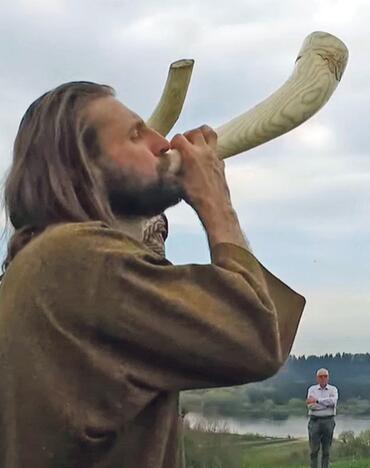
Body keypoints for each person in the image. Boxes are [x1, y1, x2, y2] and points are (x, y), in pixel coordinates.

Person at [0, 82, 305, 467]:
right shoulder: (75, 257)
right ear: (82, 167)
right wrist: (215, 201)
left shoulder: (42, 265)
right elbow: (255, 336)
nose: (165, 143)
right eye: (135, 134)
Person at [307, 368, 338, 468]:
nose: (323, 378)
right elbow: (311, 406)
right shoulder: (312, 389)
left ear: (328, 378)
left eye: (325, 376)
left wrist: (317, 401)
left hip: (328, 421)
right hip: (314, 421)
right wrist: (325, 404)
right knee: (313, 451)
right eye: (321, 377)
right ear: (317, 378)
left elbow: (333, 402)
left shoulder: (333, 389)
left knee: (326, 451)